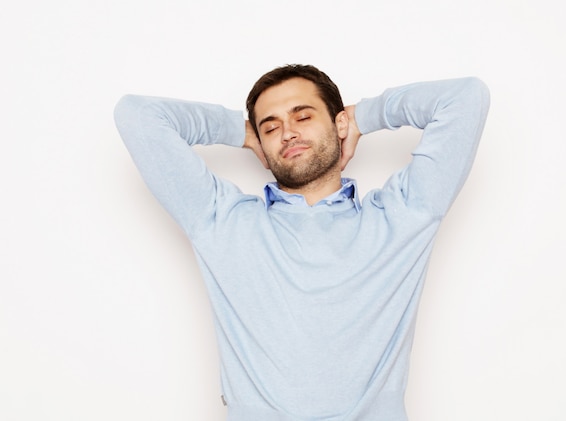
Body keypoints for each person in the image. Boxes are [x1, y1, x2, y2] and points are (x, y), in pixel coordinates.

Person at [114, 64, 490, 421]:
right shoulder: (221, 220)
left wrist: (366, 116)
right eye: (271, 126)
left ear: (337, 122)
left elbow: (466, 97)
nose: (288, 132)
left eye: (303, 116)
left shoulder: (402, 216)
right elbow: (137, 116)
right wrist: (240, 130)